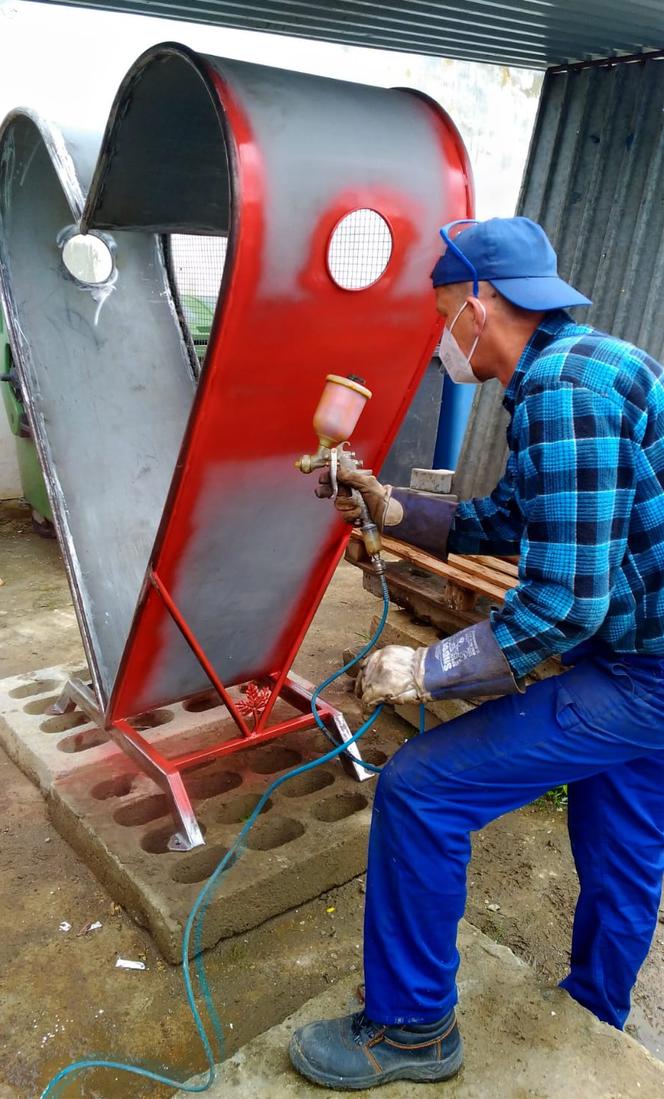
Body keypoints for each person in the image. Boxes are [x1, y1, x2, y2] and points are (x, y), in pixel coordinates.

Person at [289, 217, 664, 1090]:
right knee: (623, 842)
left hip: (641, 675)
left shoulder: (565, 389)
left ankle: (413, 1027)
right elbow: (510, 522)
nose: (439, 334)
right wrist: (389, 508)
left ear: (480, 303)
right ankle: (592, 1013)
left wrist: (431, 667)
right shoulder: (583, 365)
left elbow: (568, 603)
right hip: (650, 658)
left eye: (442, 311)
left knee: (423, 787)